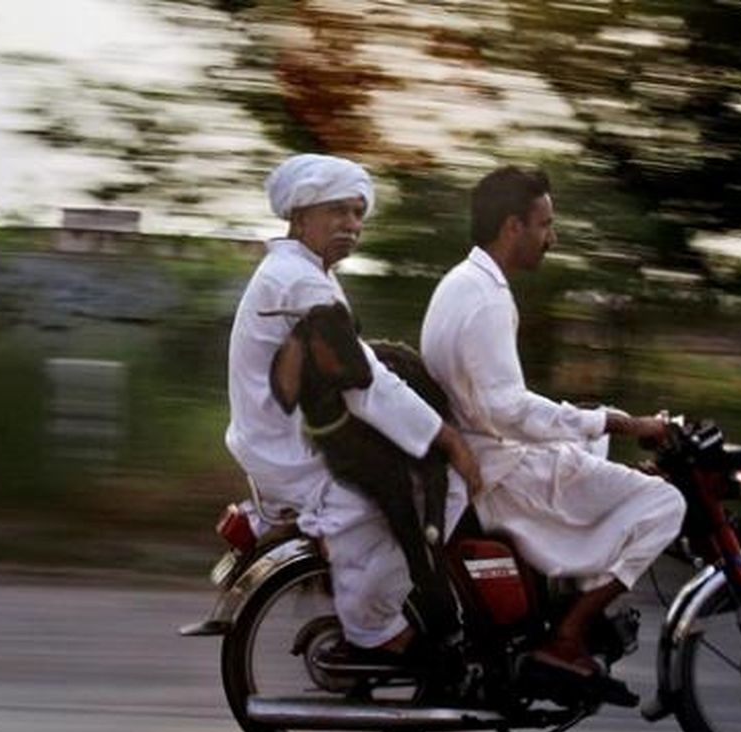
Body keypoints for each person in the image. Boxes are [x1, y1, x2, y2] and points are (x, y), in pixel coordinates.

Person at [420, 166, 686, 685]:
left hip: (490, 456)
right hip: (501, 471)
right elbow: (509, 411)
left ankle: (564, 608)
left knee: (596, 444)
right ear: (513, 227)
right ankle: (568, 635)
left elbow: (500, 406)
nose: (552, 237)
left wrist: (599, 424)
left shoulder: (461, 283)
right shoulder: (488, 301)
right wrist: (620, 421)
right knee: (665, 503)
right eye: (545, 224)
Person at [226, 153, 481, 661]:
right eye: (337, 211)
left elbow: (359, 364)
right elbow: (366, 383)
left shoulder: (302, 271)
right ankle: (375, 626)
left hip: (291, 431)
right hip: (291, 447)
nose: (352, 225)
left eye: (358, 213)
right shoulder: (297, 281)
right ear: (300, 217)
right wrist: (450, 440)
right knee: (445, 488)